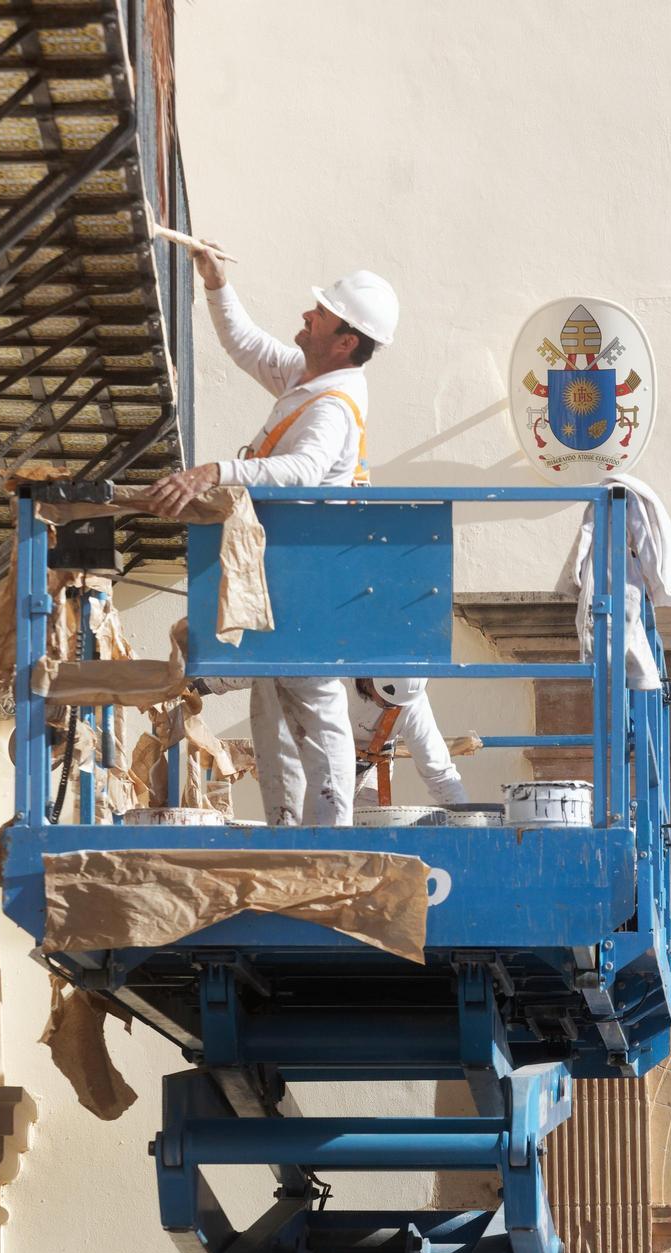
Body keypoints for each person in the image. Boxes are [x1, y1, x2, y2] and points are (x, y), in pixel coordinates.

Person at [145, 246, 400, 825]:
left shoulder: (331, 405)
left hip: (309, 571)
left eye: (322, 314)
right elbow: (248, 345)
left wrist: (216, 471)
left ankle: (329, 832)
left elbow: (302, 471)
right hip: (293, 567)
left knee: (311, 700)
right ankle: (288, 825)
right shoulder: (310, 378)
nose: (309, 315)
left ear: (345, 341)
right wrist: (216, 284)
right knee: (274, 704)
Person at [347, 677, 468, 809]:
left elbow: (439, 772)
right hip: (325, 753)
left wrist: (462, 817)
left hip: (371, 763)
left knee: (366, 822)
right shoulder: (337, 682)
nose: (393, 709)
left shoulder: (412, 703)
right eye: (387, 704)